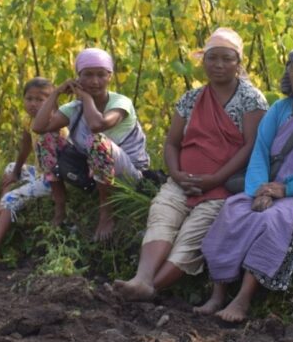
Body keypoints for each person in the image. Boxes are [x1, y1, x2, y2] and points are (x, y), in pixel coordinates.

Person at [198, 42, 293, 323]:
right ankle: (217, 294)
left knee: (275, 220)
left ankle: (243, 299)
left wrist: (287, 189)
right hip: (269, 186)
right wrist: (260, 190)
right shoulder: (279, 109)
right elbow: (259, 151)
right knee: (233, 211)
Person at [114, 28, 268, 300]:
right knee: (162, 217)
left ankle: (150, 287)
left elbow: (250, 146)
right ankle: (142, 279)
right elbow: (172, 143)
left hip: (221, 187)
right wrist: (176, 174)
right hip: (181, 181)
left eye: (226, 59)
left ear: (238, 63)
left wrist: (215, 178)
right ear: (203, 62)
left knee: (192, 235)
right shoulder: (190, 98)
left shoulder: (251, 99)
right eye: (212, 58)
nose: (218, 65)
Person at [30, 47, 149, 241]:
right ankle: (60, 207)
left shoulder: (121, 103)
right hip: (94, 171)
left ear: (110, 76)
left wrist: (85, 97)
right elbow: (39, 127)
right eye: (88, 75)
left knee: (97, 142)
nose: (94, 81)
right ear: (78, 78)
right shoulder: (73, 108)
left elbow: (97, 125)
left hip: (128, 174)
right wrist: (56, 93)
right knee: (46, 140)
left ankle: (106, 213)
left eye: (101, 75)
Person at [0, 77, 66, 262]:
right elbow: (25, 148)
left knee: (11, 199)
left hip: (53, 180)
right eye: (29, 99)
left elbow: (55, 165)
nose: (33, 104)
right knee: (11, 167)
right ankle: (0, 205)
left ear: (52, 101)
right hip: (39, 171)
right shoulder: (29, 121)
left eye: (40, 99)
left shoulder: (56, 122)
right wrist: (16, 172)